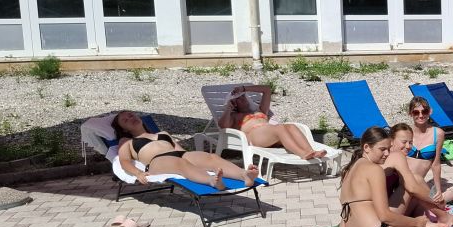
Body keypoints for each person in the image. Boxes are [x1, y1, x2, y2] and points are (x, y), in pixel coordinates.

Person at [315, 126, 449, 227]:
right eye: (382, 149)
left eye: (388, 149)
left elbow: (346, 214)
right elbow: (385, 216)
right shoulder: (374, 169)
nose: (387, 154)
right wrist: (418, 223)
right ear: (367, 147)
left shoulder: (350, 171)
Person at [112, 110, 257, 190]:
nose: (130, 118)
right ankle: (211, 181)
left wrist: (197, 159)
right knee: (180, 163)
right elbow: (124, 161)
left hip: (179, 154)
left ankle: (244, 175)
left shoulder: (163, 133)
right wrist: (138, 173)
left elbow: (181, 151)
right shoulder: (126, 141)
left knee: (212, 157)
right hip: (157, 162)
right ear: (124, 129)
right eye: (125, 120)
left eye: (131, 115)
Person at [219, 84, 328, 160]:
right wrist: (228, 108)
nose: (243, 98)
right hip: (256, 137)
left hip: (271, 134)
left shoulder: (260, 110)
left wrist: (244, 88)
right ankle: (302, 154)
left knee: (291, 126)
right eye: (239, 99)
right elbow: (223, 125)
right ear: (234, 104)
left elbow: (266, 89)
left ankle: (311, 151)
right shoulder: (235, 116)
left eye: (244, 96)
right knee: (280, 127)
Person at [383, 123, 452, 224]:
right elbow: (412, 187)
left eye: (411, 142)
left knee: (417, 184)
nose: (408, 146)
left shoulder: (386, 154)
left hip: (385, 209)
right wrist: (437, 202)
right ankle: (443, 216)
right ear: (391, 141)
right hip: (385, 215)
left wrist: (436, 193)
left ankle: (433, 216)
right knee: (416, 180)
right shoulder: (396, 156)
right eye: (404, 142)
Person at [404, 96, 445, 202]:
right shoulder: (405, 132)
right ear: (410, 113)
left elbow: (436, 164)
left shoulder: (438, 133)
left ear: (430, 111)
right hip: (402, 180)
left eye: (424, 111)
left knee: (438, 204)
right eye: (416, 112)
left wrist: (438, 189)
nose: (421, 115)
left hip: (418, 183)